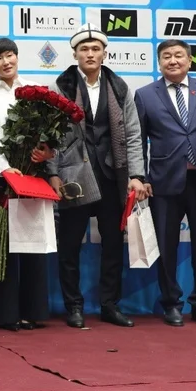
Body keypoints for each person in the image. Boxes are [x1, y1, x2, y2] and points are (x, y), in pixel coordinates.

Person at [45, 24, 147, 329]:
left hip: (112, 174)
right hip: (73, 174)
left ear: (104, 54)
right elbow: (50, 135)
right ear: (74, 54)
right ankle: (74, 306)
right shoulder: (60, 86)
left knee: (113, 244)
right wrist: (53, 173)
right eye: (84, 49)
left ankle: (109, 305)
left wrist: (136, 174)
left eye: (95, 49)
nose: (90, 54)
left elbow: (132, 134)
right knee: (70, 245)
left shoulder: (119, 87)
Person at [134, 39, 196, 327]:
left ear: (190, 60)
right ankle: (171, 304)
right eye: (166, 56)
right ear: (159, 62)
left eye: (179, 55)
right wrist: (140, 177)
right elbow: (138, 141)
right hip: (164, 181)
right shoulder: (145, 94)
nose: (173, 60)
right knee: (166, 247)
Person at [0, 38, 52, 331]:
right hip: (3, 176)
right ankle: (7, 313)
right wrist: (7, 169)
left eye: (9, 56)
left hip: (33, 172)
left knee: (33, 242)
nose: (5, 62)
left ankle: (34, 311)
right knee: (4, 244)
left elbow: (48, 133)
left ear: (17, 57)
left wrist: (46, 152)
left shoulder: (35, 90)